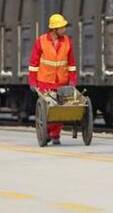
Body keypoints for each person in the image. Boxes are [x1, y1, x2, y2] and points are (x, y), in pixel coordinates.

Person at [28, 13, 77, 145]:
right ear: (54, 29)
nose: (64, 29)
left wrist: (72, 80)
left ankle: (55, 135)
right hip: (45, 81)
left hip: (62, 81)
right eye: (62, 27)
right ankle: (47, 132)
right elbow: (34, 63)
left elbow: (71, 64)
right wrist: (32, 81)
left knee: (59, 110)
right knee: (49, 108)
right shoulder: (41, 41)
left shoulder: (67, 42)